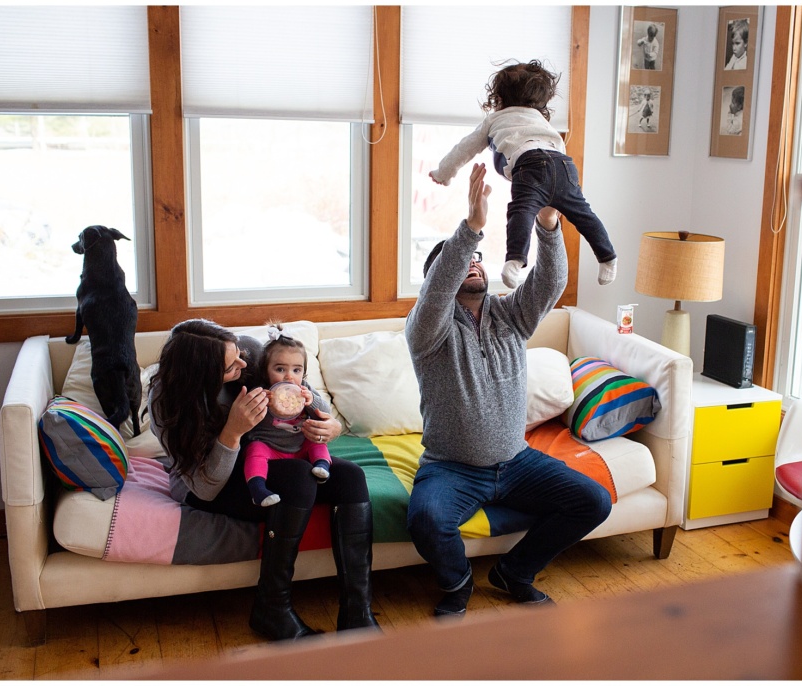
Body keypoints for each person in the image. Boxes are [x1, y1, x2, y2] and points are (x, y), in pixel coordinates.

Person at [405, 163, 612, 618]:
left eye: (478, 260)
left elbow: (550, 282)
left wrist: (549, 223)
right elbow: (438, 293)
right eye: (462, 262)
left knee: (593, 501)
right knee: (425, 519)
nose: (474, 264)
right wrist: (470, 232)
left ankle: (514, 572)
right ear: (436, 281)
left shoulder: (510, 316)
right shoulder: (428, 330)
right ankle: (458, 585)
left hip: (518, 462)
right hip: (451, 468)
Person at [148, 319, 380, 640]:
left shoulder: (247, 353)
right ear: (203, 373)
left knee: (351, 476)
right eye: (232, 366)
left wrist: (332, 426)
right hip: (207, 480)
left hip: (265, 457)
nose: (244, 364)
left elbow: (303, 397)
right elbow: (206, 487)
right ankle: (272, 608)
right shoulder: (168, 403)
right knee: (299, 478)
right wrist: (232, 431)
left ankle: (358, 610)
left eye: (239, 355)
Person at [428, 60, 617, 289]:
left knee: (521, 212)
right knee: (584, 216)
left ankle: (515, 261)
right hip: (565, 165)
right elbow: (557, 150)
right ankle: (607, 259)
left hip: (529, 163)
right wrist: (558, 191)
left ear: (499, 98)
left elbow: (464, 149)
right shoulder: (542, 120)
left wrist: (443, 173)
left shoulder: (495, 119)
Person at [244, 323, 333, 509]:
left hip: (300, 446)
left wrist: (312, 401)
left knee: (316, 440)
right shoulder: (260, 393)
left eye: (296, 370)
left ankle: (322, 466)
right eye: (280, 369)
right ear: (265, 371)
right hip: (270, 447)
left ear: (304, 372)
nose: (289, 377)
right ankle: (257, 489)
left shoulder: (305, 391)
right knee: (254, 450)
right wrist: (262, 404)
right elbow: (247, 424)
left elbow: (326, 414)